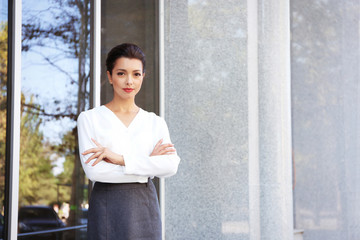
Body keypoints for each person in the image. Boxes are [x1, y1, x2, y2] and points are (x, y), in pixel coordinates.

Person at [77, 43, 180, 240]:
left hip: (145, 206)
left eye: (136, 74)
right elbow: (95, 171)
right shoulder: (90, 118)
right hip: (107, 206)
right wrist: (148, 164)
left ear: (143, 76)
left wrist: (120, 159)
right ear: (110, 76)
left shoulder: (154, 122)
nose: (129, 81)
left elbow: (170, 166)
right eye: (121, 73)